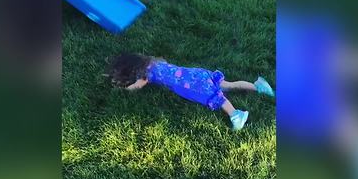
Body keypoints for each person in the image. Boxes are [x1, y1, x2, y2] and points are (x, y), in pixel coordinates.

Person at [106, 53, 275, 131]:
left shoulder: (145, 75)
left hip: (190, 84)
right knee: (227, 85)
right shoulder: (155, 62)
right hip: (196, 73)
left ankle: (236, 115)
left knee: (214, 96)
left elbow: (136, 87)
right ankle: (258, 87)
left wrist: (122, 88)